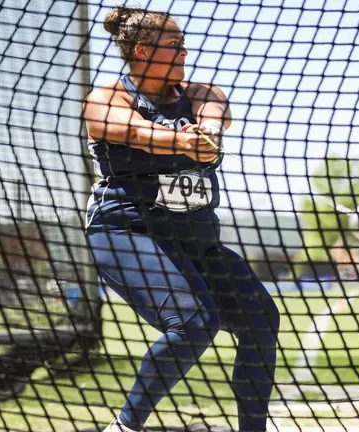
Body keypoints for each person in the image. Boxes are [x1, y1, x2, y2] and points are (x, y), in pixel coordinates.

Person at [83, 5, 280, 432]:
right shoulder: (105, 98)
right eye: (175, 45)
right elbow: (132, 131)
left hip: (195, 240)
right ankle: (125, 427)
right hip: (127, 231)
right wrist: (178, 139)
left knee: (262, 317)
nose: (185, 53)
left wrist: (205, 136)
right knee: (193, 321)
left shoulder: (202, 92)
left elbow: (212, 120)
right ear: (142, 50)